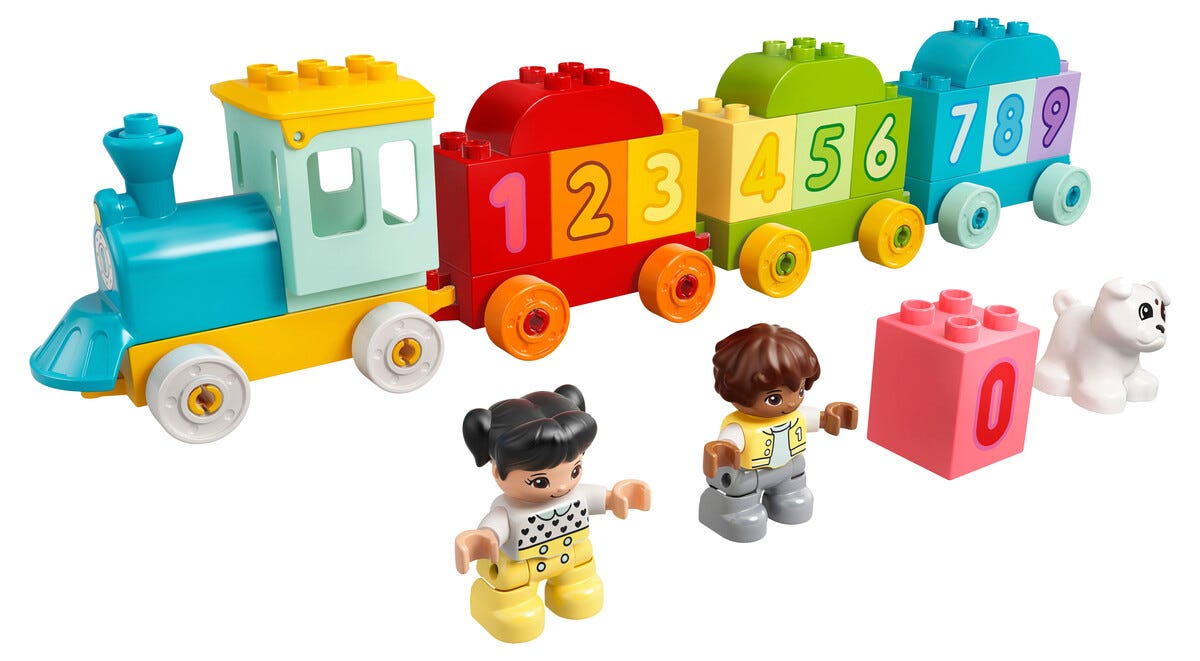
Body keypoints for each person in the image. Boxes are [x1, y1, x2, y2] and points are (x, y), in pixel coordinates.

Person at [454, 385, 650, 643]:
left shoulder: (576, 495)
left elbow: (601, 498)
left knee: (581, 587)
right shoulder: (508, 511)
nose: (561, 487)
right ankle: (509, 605)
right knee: (517, 608)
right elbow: (493, 529)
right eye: (540, 481)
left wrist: (616, 498)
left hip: (573, 558)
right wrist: (484, 539)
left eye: (574, 470)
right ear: (497, 471)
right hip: (521, 569)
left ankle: (572, 587)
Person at [700, 324, 858, 542]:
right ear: (737, 391)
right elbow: (728, 444)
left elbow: (818, 419)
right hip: (749, 477)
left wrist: (830, 418)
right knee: (747, 516)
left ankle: (786, 497)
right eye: (774, 398)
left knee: (796, 501)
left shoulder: (795, 415)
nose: (792, 403)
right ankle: (739, 510)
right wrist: (722, 452)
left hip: (789, 471)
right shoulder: (740, 427)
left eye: (800, 390)